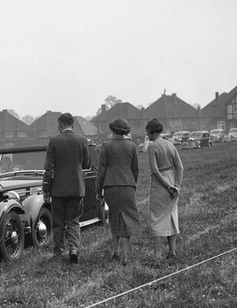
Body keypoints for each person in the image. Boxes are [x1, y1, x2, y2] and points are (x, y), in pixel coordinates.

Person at [95, 117, 142, 266]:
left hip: (111, 186)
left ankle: (114, 251)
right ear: (126, 131)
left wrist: (98, 189)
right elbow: (135, 170)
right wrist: (132, 183)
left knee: (114, 217)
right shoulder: (132, 146)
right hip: (127, 186)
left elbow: (101, 169)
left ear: (112, 129)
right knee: (128, 219)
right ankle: (125, 257)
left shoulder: (106, 146)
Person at [43, 112, 89, 264]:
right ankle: (74, 248)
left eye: (58, 125)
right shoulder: (82, 141)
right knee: (74, 221)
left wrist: (46, 190)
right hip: (76, 187)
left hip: (58, 189)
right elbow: (86, 164)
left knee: (58, 222)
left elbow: (48, 169)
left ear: (61, 124)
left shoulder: (54, 141)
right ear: (73, 124)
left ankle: (58, 250)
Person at [145, 117, 183, 260]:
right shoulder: (170, 144)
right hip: (172, 179)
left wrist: (167, 186)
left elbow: (154, 170)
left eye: (148, 133)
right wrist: (176, 186)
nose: (147, 136)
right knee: (172, 215)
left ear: (152, 132)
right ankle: (172, 251)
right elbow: (180, 167)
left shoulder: (152, 146)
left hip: (160, 183)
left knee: (156, 218)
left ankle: (157, 254)